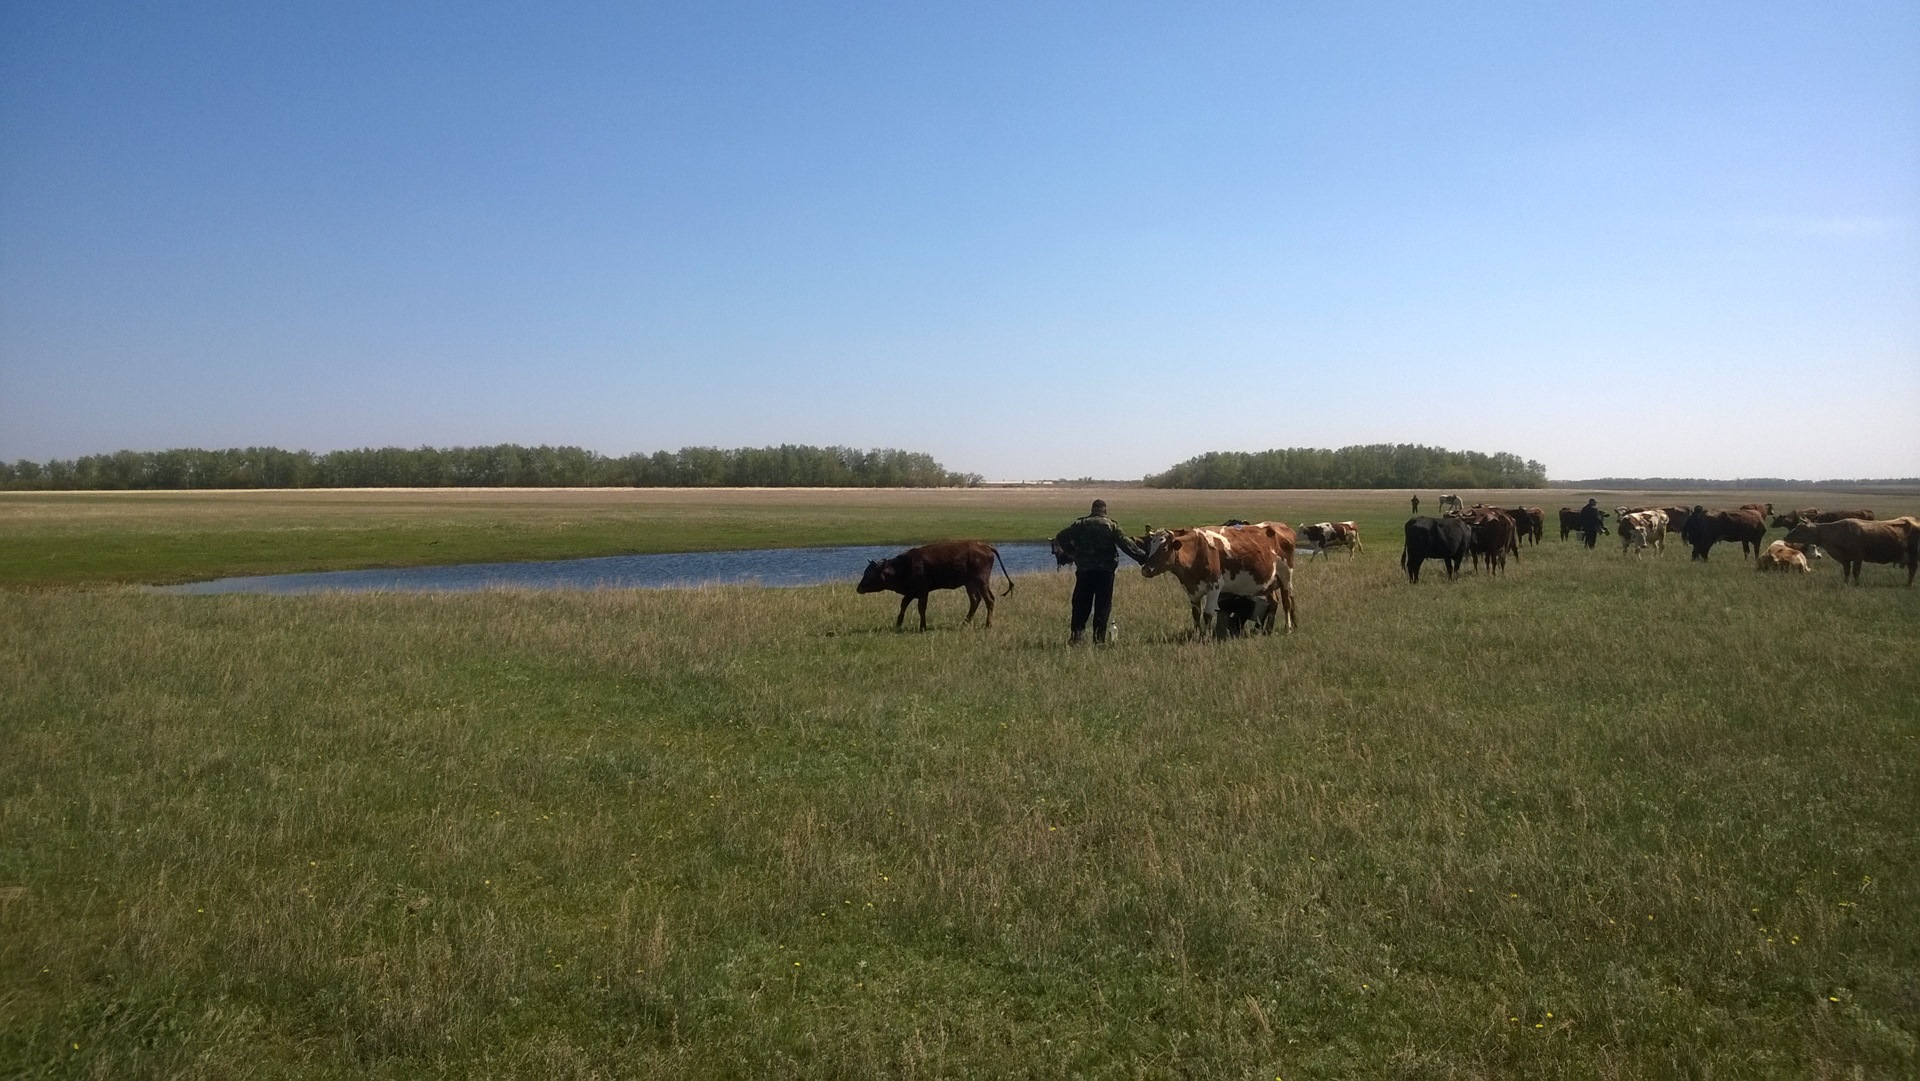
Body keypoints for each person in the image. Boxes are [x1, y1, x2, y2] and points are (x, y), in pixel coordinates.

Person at [1052, 499, 1148, 645]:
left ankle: (1077, 637)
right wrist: (1143, 558)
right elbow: (1126, 545)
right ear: (1105, 511)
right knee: (1103, 605)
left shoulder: (1081, 524)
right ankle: (1099, 639)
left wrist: (1073, 552)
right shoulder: (1111, 526)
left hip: (1085, 570)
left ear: (1092, 510)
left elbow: (1061, 537)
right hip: (1105, 572)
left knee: (1081, 603)